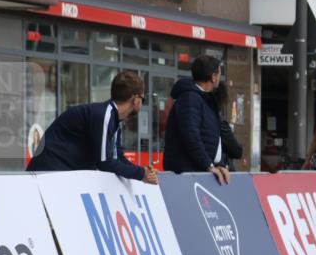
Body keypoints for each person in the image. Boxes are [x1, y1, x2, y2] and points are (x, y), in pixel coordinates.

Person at [27, 70, 157, 184]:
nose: (142, 103)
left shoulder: (113, 117)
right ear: (135, 99)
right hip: (47, 173)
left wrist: (143, 171)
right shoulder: (104, 115)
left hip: (57, 172)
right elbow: (105, 162)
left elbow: (118, 157)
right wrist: (141, 174)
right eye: (143, 99)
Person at [162, 55, 230, 185]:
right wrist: (208, 165)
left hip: (200, 172)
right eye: (219, 74)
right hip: (188, 175)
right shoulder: (190, 98)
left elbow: (213, 136)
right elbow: (190, 135)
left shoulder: (205, 99)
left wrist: (218, 164)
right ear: (213, 76)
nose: (219, 79)